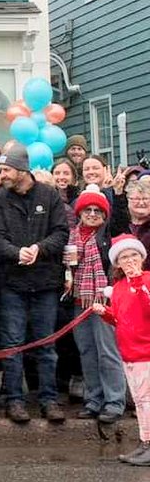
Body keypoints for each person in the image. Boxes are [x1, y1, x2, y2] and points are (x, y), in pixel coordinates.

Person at [0, 144, 69, 425]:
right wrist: (15, 252)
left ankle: (48, 399)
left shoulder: (49, 196)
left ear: (22, 170)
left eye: (7, 169)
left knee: (46, 344)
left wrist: (40, 248)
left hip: (45, 283)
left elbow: (61, 233)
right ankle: (15, 400)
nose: (3, 175)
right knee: (12, 345)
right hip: (12, 283)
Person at [66, 187, 126, 424]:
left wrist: (118, 196)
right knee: (87, 352)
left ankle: (114, 402)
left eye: (97, 210)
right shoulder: (71, 236)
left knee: (108, 352)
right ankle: (93, 399)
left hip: (103, 301)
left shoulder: (108, 234)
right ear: (79, 212)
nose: (92, 214)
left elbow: (120, 219)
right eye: (87, 210)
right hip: (80, 301)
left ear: (104, 214)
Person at [94, 236, 150, 464]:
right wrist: (105, 313)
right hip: (128, 352)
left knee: (146, 400)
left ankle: (148, 444)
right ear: (117, 263)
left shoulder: (146, 279)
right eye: (124, 257)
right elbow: (120, 320)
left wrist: (138, 281)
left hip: (146, 351)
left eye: (133, 255)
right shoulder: (117, 288)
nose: (129, 261)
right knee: (138, 400)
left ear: (142, 258)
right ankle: (144, 441)